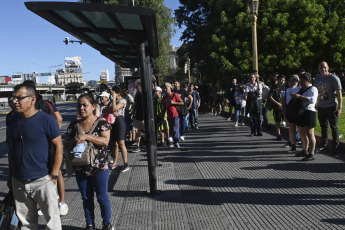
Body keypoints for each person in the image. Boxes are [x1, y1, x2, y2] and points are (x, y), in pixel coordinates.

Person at [8, 83, 63, 229]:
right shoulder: (12, 120)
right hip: (19, 181)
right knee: (26, 224)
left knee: (53, 223)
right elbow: (11, 148)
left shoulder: (46, 120)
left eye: (19, 98)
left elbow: (59, 146)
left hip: (43, 180)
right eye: (13, 98)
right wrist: (11, 176)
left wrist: (54, 174)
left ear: (33, 99)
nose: (14, 101)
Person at [65, 93, 114, 230]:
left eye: (84, 105)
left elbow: (105, 140)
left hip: (99, 168)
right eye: (79, 105)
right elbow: (66, 144)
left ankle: (106, 223)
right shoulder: (74, 125)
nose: (81, 108)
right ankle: (90, 224)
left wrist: (87, 136)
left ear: (93, 107)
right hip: (81, 168)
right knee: (86, 198)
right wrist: (73, 140)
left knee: (102, 197)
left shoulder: (102, 123)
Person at [22, 80, 68, 216]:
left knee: (56, 171)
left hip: (50, 145)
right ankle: (45, 203)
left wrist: (53, 135)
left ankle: (63, 203)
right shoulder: (24, 108)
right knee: (42, 174)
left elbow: (58, 119)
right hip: (35, 148)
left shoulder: (45, 104)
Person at [314, 61, 343, 156]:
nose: (323, 70)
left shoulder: (333, 78)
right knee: (323, 126)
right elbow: (315, 92)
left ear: (328, 67)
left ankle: (335, 147)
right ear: (318, 69)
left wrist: (340, 108)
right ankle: (324, 144)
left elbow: (339, 94)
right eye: (321, 68)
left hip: (331, 106)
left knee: (333, 127)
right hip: (321, 107)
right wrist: (315, 104)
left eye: (325, 67)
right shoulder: (317, 78)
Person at [292, 73, 318, 161]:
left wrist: (300, 96)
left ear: (308, 81)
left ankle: (311, 153)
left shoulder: (313, 89)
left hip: (309, 112)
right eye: (300, 82)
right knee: (302, 132)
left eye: (303, 82)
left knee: (309, 133)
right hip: (301, 112)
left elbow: (312, 100)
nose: (301, 84)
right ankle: (304, 149)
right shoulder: (302, 89)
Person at [108, 86, 129, 172]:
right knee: (114, 143)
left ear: (118, 94)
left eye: (114, 93)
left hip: (120, 121)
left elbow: (114, 109)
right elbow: (108, 110)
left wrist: (113, 100)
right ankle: (115, 162)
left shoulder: (122, 101)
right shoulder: (114, 101)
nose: (112, 95)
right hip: (113, 122)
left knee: (121, 143)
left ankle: (126, 164)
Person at [282, 75, 301, 153]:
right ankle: (293, 145)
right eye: (290, 81)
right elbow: (283, 104)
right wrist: (284, 115)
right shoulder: (285, 91)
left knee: (301, 129)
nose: (292, 82)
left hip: (299, 111)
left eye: (294, 80)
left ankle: (304, 144)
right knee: (292, 129)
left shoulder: (300, 89)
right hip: (290, 110)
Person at [163, 83, 184, 149]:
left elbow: (182, 102)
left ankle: (176, 142)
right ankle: (175, 141)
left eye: (166, 88)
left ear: (170, 88)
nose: (165, 89)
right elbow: (164, 107)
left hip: (175, 115)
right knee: (171, 129)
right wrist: (163, 114)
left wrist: (174, 103)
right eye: (164, 88)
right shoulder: (164, 97)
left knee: (175, 129)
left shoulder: (175, 95)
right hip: (168, 116)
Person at [245, 71, 263, 136]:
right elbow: (246, 95)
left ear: (255, 78)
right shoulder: (247, 86)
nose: (252, 78)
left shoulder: (259, 85)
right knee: (252, 117)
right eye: (250, 77)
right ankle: (253, 131)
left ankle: (259, 131)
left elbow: (259, 94)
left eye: (253, 77)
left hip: (258, 101)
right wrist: (254, 94)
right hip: (251, 102)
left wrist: (258, 83)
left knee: (259, 117)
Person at [269, 75, 285, 141]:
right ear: (277, 80)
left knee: (287, 122)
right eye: (280, 79)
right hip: (277, 107)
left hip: (285, 108)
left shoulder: (286, 88)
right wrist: (277, 103)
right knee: (278, 121)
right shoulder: (274, 88)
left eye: (283, 80)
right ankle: (279, 134)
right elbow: (270, 97)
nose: (282, 81)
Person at [131, 82, 145, 152]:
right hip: (137, 116)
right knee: (137, 132)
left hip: (144, 116)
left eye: (137, 87)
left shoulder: (145, 94)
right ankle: (138, 146)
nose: (136, 88)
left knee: (146, 131)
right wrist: (132, 112)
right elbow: (134, 103)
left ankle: (147, 144)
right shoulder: (137, 94)